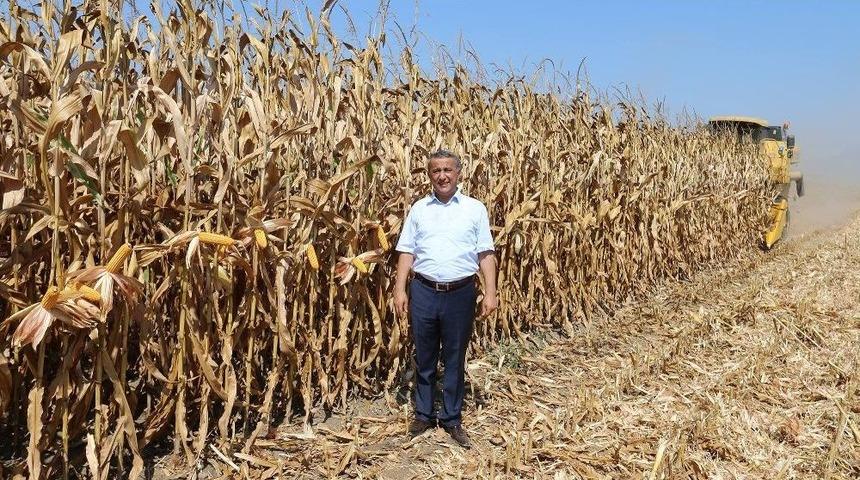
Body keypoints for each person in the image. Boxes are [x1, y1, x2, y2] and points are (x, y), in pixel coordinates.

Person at [393, 149, 498, 448]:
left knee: (454, 357)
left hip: (461, 293)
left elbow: (485, 253)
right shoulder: (419, 209)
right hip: (424, 290)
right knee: (424, 357)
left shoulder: (474, 209)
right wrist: (400, 288)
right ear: (429, 175)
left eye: (447, 170)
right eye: (436, 170)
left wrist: (490, 292)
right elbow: (407, 251)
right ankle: (424, 414)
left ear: (459, 173)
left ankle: (451, 418)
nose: (442, 176)